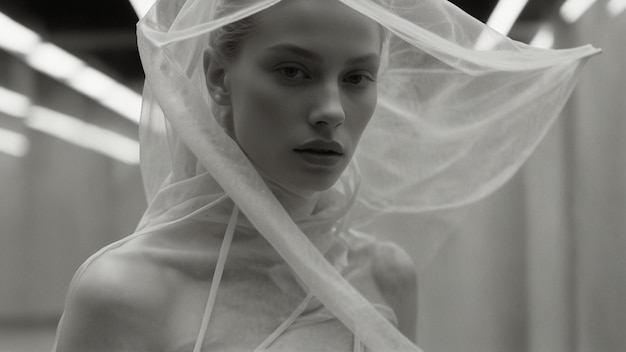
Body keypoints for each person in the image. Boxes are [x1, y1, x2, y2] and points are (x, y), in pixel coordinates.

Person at [52, 0, 599, 351]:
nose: (332, 110)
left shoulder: (384, 275)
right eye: (294, 71)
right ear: (219, 76)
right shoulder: (126, 294)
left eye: (357, 76)